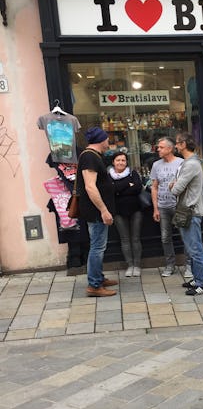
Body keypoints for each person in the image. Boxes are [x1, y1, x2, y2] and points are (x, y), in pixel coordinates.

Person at [76, 127, 118, 297]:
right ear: (101, 140)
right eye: (106, 138)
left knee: (99, 246)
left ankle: (98, 278)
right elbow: (90, 186)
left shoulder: (93, 156)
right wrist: (104, 210)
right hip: (96, 212)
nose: (108, 141)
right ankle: (94, 285)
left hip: (97, 211)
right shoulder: (89, 157)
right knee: (97, 247)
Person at [168, 131, 203, 296]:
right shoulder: (189, 162)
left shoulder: (191, 164)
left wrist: (173, 185)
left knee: (195, 249)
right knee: (191, 248)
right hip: (188, 210)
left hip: (190, 211)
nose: (176, 146)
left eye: (177, 143)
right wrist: (176, 184)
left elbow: (176, 188)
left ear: (184, 144)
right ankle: (197, 279)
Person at [150, 137, 185, 277]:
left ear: (170, 149)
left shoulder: (181, 163)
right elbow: (154, 187)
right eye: (158, 147)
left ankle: (189, 265)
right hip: (163, 206)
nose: (158, 149)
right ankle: (170, 265)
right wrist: (155, 208)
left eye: (161, 147)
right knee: (165, 237)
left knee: (185, 236)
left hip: (179, 206)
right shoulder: (156, 165)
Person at [109, 151, 143, 277]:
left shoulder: (133, 173)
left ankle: (137, 265)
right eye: (118, 160)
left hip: (136, 210)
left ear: (126, 162)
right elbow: (111, 190)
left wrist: (119, 189)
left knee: (135, 239)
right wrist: (127, 185)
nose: (121, 163)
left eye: (123, 160)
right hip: (118, 211)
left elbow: (138, 187)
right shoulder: (109, 175)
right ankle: (130, 265)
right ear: (113, 162)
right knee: (125, 239)